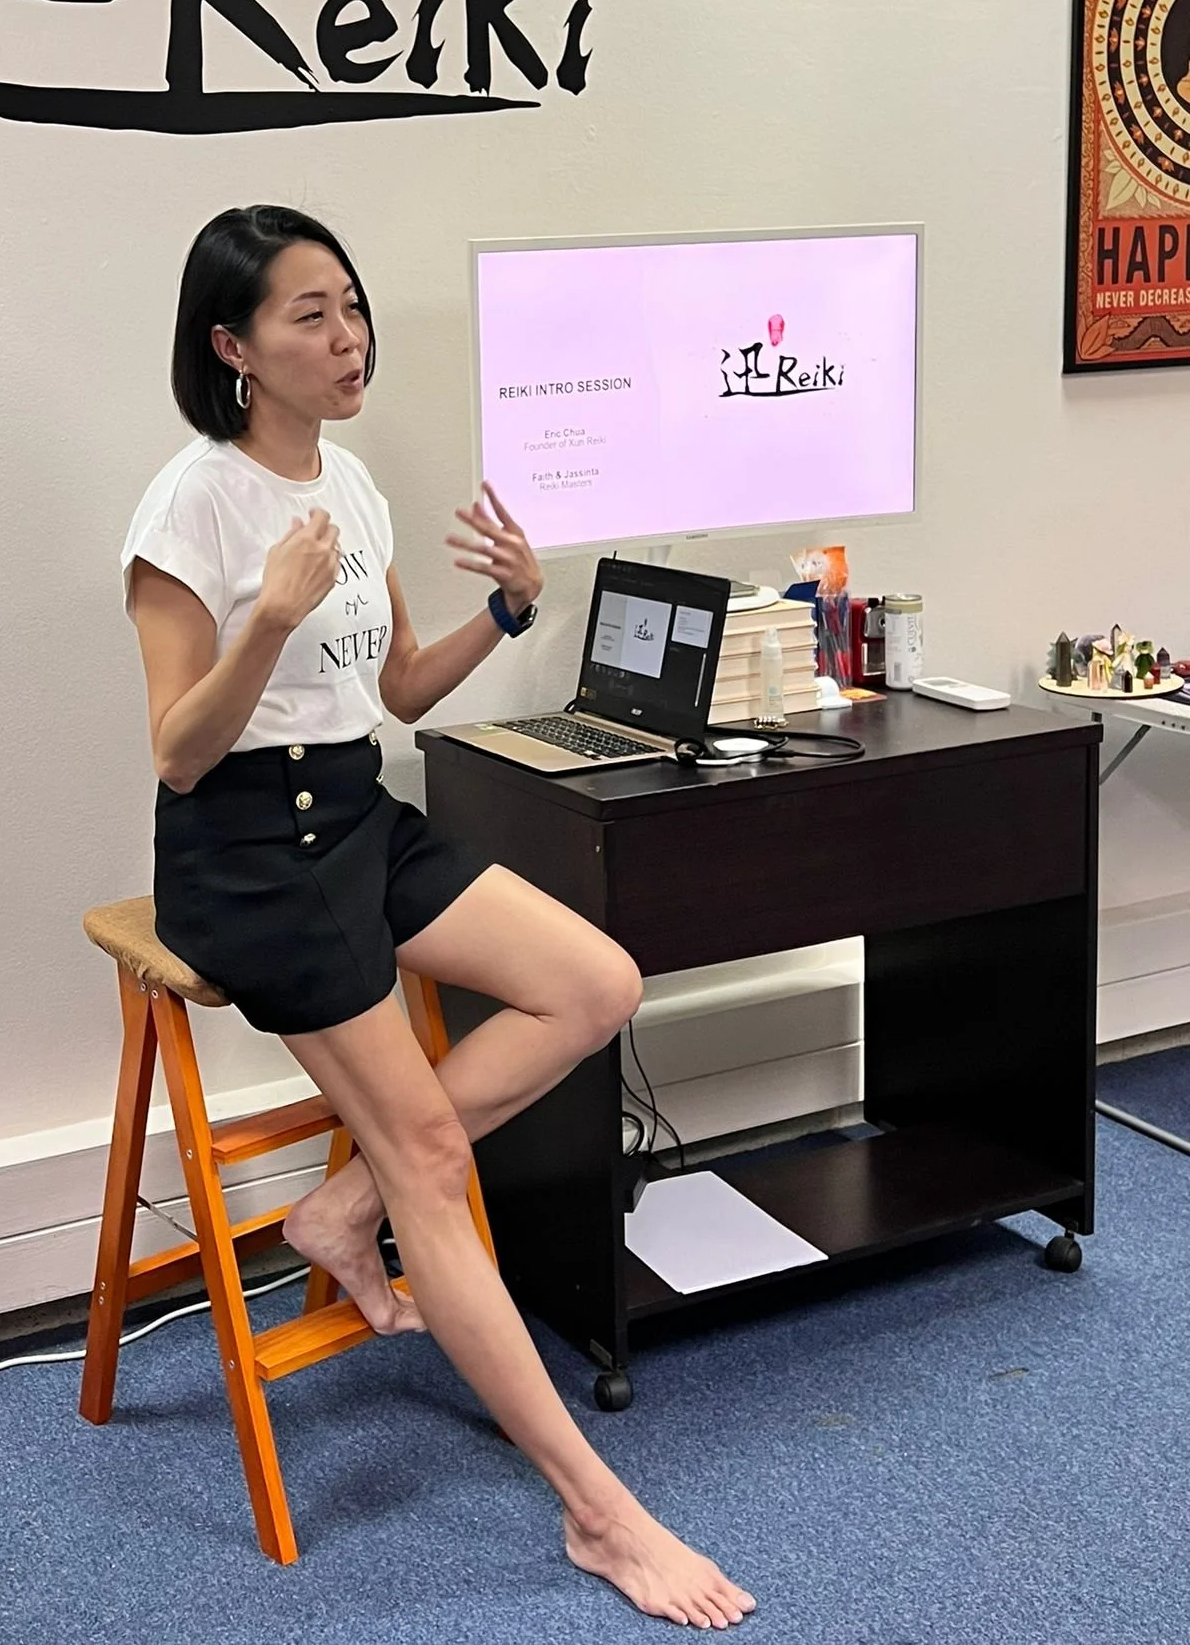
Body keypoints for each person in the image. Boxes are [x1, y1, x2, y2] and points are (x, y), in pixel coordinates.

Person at [120, 205, 755, 1630]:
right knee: (426, 1151)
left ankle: (343, 1208)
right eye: (307, 317)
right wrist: (265, 621)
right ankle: (601, 1514)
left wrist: (511, 616)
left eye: (350, 308)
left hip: (356, 809)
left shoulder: (351, 483)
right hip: (247, 847)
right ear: (231, 348)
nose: (347, 340)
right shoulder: (190, 509)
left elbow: (399, 691)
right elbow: (175, 748)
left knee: (595, 984)